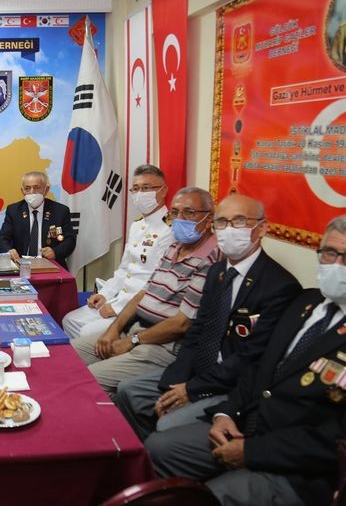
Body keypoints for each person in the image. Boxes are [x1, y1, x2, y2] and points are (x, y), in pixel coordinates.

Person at [146, 215, 346, 506]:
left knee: (211, 497)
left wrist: (251, 452)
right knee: (158, 447)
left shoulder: (283, 288)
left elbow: (335, 441)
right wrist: (226, 414)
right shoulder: (306, 302)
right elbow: (259, 367)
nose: (336, 265)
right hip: (246, 423)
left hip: (297, 467)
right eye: (329, 253)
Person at [116, 194, 301, 440]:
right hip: (197, 372)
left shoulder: (279, 286)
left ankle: (161, 450)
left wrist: (190, 390)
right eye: (221, 222)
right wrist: (175, 382)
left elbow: (251, 357)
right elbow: (197, 332)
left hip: (231, 386)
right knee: (127, 391)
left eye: (239, 221)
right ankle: (147, 451)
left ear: (262, 228)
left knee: (166, 426)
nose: (229, 229)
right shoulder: (217, 272)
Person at [71, 187, 222, 398]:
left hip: (163, 345)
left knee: (89, 381)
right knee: (67, 355)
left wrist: (132, 342)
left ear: (209, 218)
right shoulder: (175, 247)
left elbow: (181, 324)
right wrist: (114, 329)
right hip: (135, 329)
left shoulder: (211, 259)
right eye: (175, 212)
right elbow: (143, 294)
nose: (180, 219)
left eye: (189, 212)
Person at [62, 165, 174, 338]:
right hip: (120, 298)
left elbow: (157, 283)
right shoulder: (137, 225)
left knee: (86, 332)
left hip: (140, 308)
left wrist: (119, 308)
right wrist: (105, 294)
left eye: (146, 188)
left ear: (163, 190)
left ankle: (101, 352)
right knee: (70, 320)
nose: (140, 194)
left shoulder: (170, 229)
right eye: (135, 189)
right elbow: (124, 270)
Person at [0, 171, 75, 268]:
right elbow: (2, 238)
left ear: (46, 190)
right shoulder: (14, 210)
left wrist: (55, 252)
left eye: (37, 187)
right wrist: (8, 250)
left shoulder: (60, 211)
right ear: (22, 191)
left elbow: (70, 240)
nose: (32, 192)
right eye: (27, 188)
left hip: (51, 265)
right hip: (21, 265)